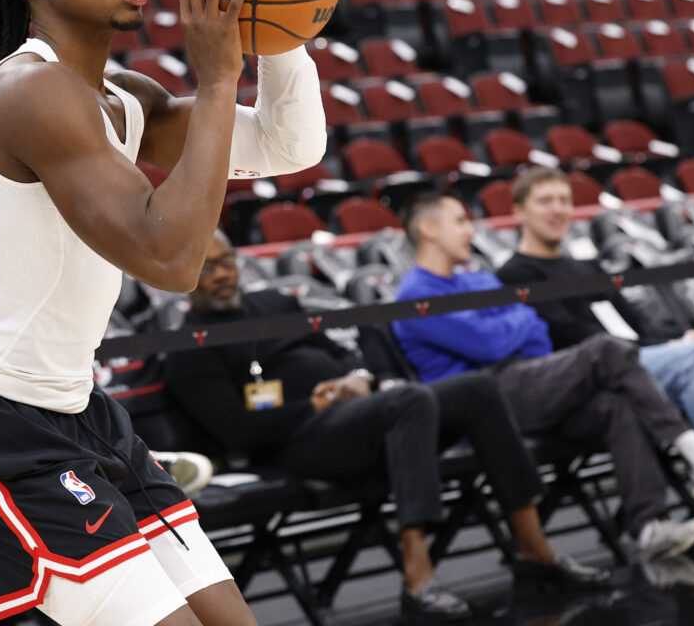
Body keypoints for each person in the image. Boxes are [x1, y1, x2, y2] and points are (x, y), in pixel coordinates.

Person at [0, 0, 327, 626]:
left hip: (77, 405)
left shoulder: (124, 100)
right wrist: (219, 75)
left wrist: (278, 24)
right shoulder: (29, 90)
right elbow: (172, 261)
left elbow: (291, 146)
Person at [165, 230, 610, 621]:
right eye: (207, 267)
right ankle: (419, 578)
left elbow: (340, 352)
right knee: (409, 400)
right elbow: (236, 431)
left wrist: (357, 376)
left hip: (363, 416)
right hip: (298, 444)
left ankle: (534, 547)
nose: (222, 275)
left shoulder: (274, 303)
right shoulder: (186, 347)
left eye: (226, 262)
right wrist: (313, 406)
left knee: (476, 389)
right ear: (182, 273)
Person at [393, 192, 694, 561]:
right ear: (429, 229)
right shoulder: (414, 296)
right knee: (605, 349)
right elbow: (489, 344)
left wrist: (508, 325)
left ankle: (649, 526)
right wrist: (512, 324)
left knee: (614, 405)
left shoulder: (479, 280)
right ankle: (693, 450)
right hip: (481, 405)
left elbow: (535, 331)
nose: (471, 231)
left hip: (525, 381)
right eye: (460, 221)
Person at [496, 166, 694, 431]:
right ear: (519, 212)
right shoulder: (516, 274)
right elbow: (570, 335)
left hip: (635, 355)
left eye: (564, 201)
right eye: (545, 201)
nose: (558, 210)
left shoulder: (588, 266)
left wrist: (682, 336)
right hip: (588, 374)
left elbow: (638, 322)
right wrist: (669, 345)